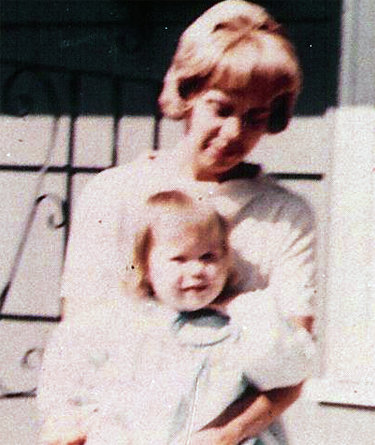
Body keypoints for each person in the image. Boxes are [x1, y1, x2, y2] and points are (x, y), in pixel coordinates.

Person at [42, 0, 316, 443]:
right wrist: (67, 422)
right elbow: (80, 337)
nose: (234, 133)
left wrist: (218, 437)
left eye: (255, 118)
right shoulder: (116, 194)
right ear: (188, 95)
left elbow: (292, 367)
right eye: (222, 109)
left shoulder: (285, 216)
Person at [38, 191, 314, 445]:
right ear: (146, 266)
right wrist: (65, 417)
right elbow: (67, 369)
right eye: (179, 259)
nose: (196, 270)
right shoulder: (118, 322)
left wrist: (248, 312)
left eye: (208, 257)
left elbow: (288, 371)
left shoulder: (239, 325)